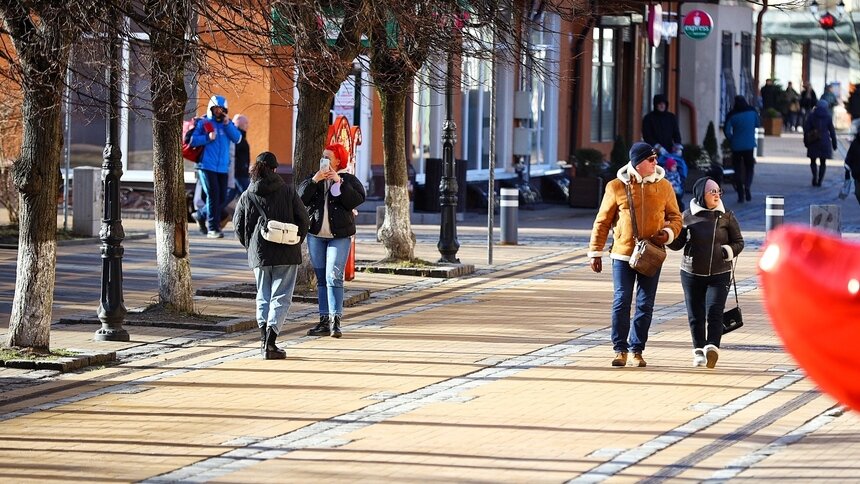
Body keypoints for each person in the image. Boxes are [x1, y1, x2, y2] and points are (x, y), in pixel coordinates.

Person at [588, 142, 682, 368]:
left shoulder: (664, 187)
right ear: (638, 163)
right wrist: (595, 253)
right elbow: (602, 222)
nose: (655, 162)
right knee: (621, 300)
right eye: (651, 159)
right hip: (622, 253)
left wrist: (667, 234)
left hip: (652, 254)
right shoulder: (616, 186)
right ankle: (619, 349)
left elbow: (677, 218)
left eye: (655, 158)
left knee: (645, 304)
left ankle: (636, 350)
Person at [233, 152, 310, 360]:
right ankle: (271, 341)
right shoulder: (288, 191)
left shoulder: (247, 194)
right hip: (286, 253)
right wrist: (295, 241)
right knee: (281, 296)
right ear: (275, 169)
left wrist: (251, 246)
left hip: (259, 254)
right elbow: (303, 220)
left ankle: (262, 340)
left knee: (263, 295)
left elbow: (238, 226)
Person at [668, 177, 744, 369]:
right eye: (713, 192)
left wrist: (728, 251)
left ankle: (712, 348)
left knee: (714, 312)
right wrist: (667, 234)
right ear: (701, 194)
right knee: (696, 315)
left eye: (719, 191)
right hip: (691, 273)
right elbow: (677, 245)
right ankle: (698, 351)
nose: (717, 195)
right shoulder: (687, 216)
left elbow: (739, 242)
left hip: (720, 273)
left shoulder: (726, 215)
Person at [300, 143, 366, 338]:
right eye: (323, 157)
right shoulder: (315, 178)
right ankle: (323, 320)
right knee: (321, 279)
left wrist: (339, 181)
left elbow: (355, 200)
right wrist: (314, 180)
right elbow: (300, 197)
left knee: (333, 276)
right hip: (316, 236)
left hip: (340, 237)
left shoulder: (348, 179)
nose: (325, 161)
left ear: (338, 160)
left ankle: (335, 321)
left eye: (329, 158)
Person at [190, 95, 243, 238]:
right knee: (213, 196)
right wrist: (208, 138)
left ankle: (201, 215)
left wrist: (227, 125)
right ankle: (213, 228)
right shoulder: (204, 123)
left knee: (220, 198)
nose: (218, 111)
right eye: (216, 109)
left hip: (223, 168)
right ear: (211, 109)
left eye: (221, 109)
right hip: (206, 166)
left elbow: (237, 138)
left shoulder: (227, 124)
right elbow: (192, 140)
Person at [723, 95, 761, 203]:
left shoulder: (732, 115)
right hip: (749, 145)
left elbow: (727, 130)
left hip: (736, 146)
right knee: (749, 167)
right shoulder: (752, 112)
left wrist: (732, 139)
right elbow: (758, 124)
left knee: (737, 169)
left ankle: (740, 194)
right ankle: (747, 186)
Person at [803, 99, 838, 187]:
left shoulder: (811, 116)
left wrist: (806, 141)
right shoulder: (828, 116)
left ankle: (814, 176)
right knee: (823, 162)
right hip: (824, 141)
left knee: (813, 160)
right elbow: (832, 131)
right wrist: (834, 143)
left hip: (813, 140)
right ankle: (820, 180)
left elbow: (806, 130)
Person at [226, 114, 251, 204]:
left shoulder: (240, 136)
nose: (248, 126)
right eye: (246, 123)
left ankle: (204, 213)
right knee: (249, 195)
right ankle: (203, 214)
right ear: (239, 124)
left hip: (240, 171)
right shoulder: (237, 137)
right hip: (239, 173)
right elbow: (233, 154)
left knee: (231, 195)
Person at [844, 131, 860, 206]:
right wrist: (847, 171)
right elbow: (849, 157)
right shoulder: (856, 143)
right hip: (858, 176)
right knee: (858, 193)